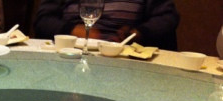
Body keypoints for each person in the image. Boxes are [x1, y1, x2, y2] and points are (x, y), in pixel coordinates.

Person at [33, 0, 180, 50]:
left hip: (124, 59)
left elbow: (167, 17)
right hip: (70, 53)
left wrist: (138, 32)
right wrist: (71, 30)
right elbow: (43, 20)